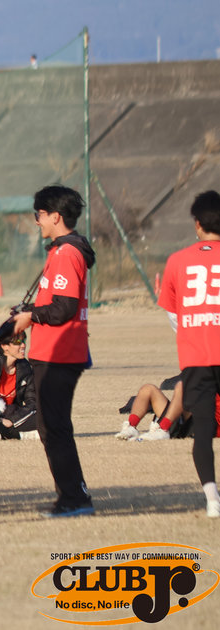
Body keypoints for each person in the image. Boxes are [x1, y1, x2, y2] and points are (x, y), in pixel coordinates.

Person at [11, 185, 95, 518]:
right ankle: (73, 495)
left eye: (40, 215)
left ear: (56, 217)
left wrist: (30, 316)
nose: (37, 221)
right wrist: (29, 312)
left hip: (60, 353)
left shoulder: (67, 253)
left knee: (54, 426)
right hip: (56, 351)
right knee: (51, 426)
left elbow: (63, 308)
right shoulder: (62, 251)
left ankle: (74, 498)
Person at [157, 189, 220, 517]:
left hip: (196, 357)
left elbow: (173, 314)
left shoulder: (177, 260)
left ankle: (212, 499)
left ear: (197, 224)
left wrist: (195, 332)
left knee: (204, 429)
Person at [0, 329, 38, 440]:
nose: (23, 345)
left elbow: (33, 401)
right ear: (5, 346)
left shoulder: (25, 367)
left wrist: (12, 420)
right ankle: (16, 435)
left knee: (44, 417)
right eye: (18, 342)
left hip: (10, 414)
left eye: (24, 341)